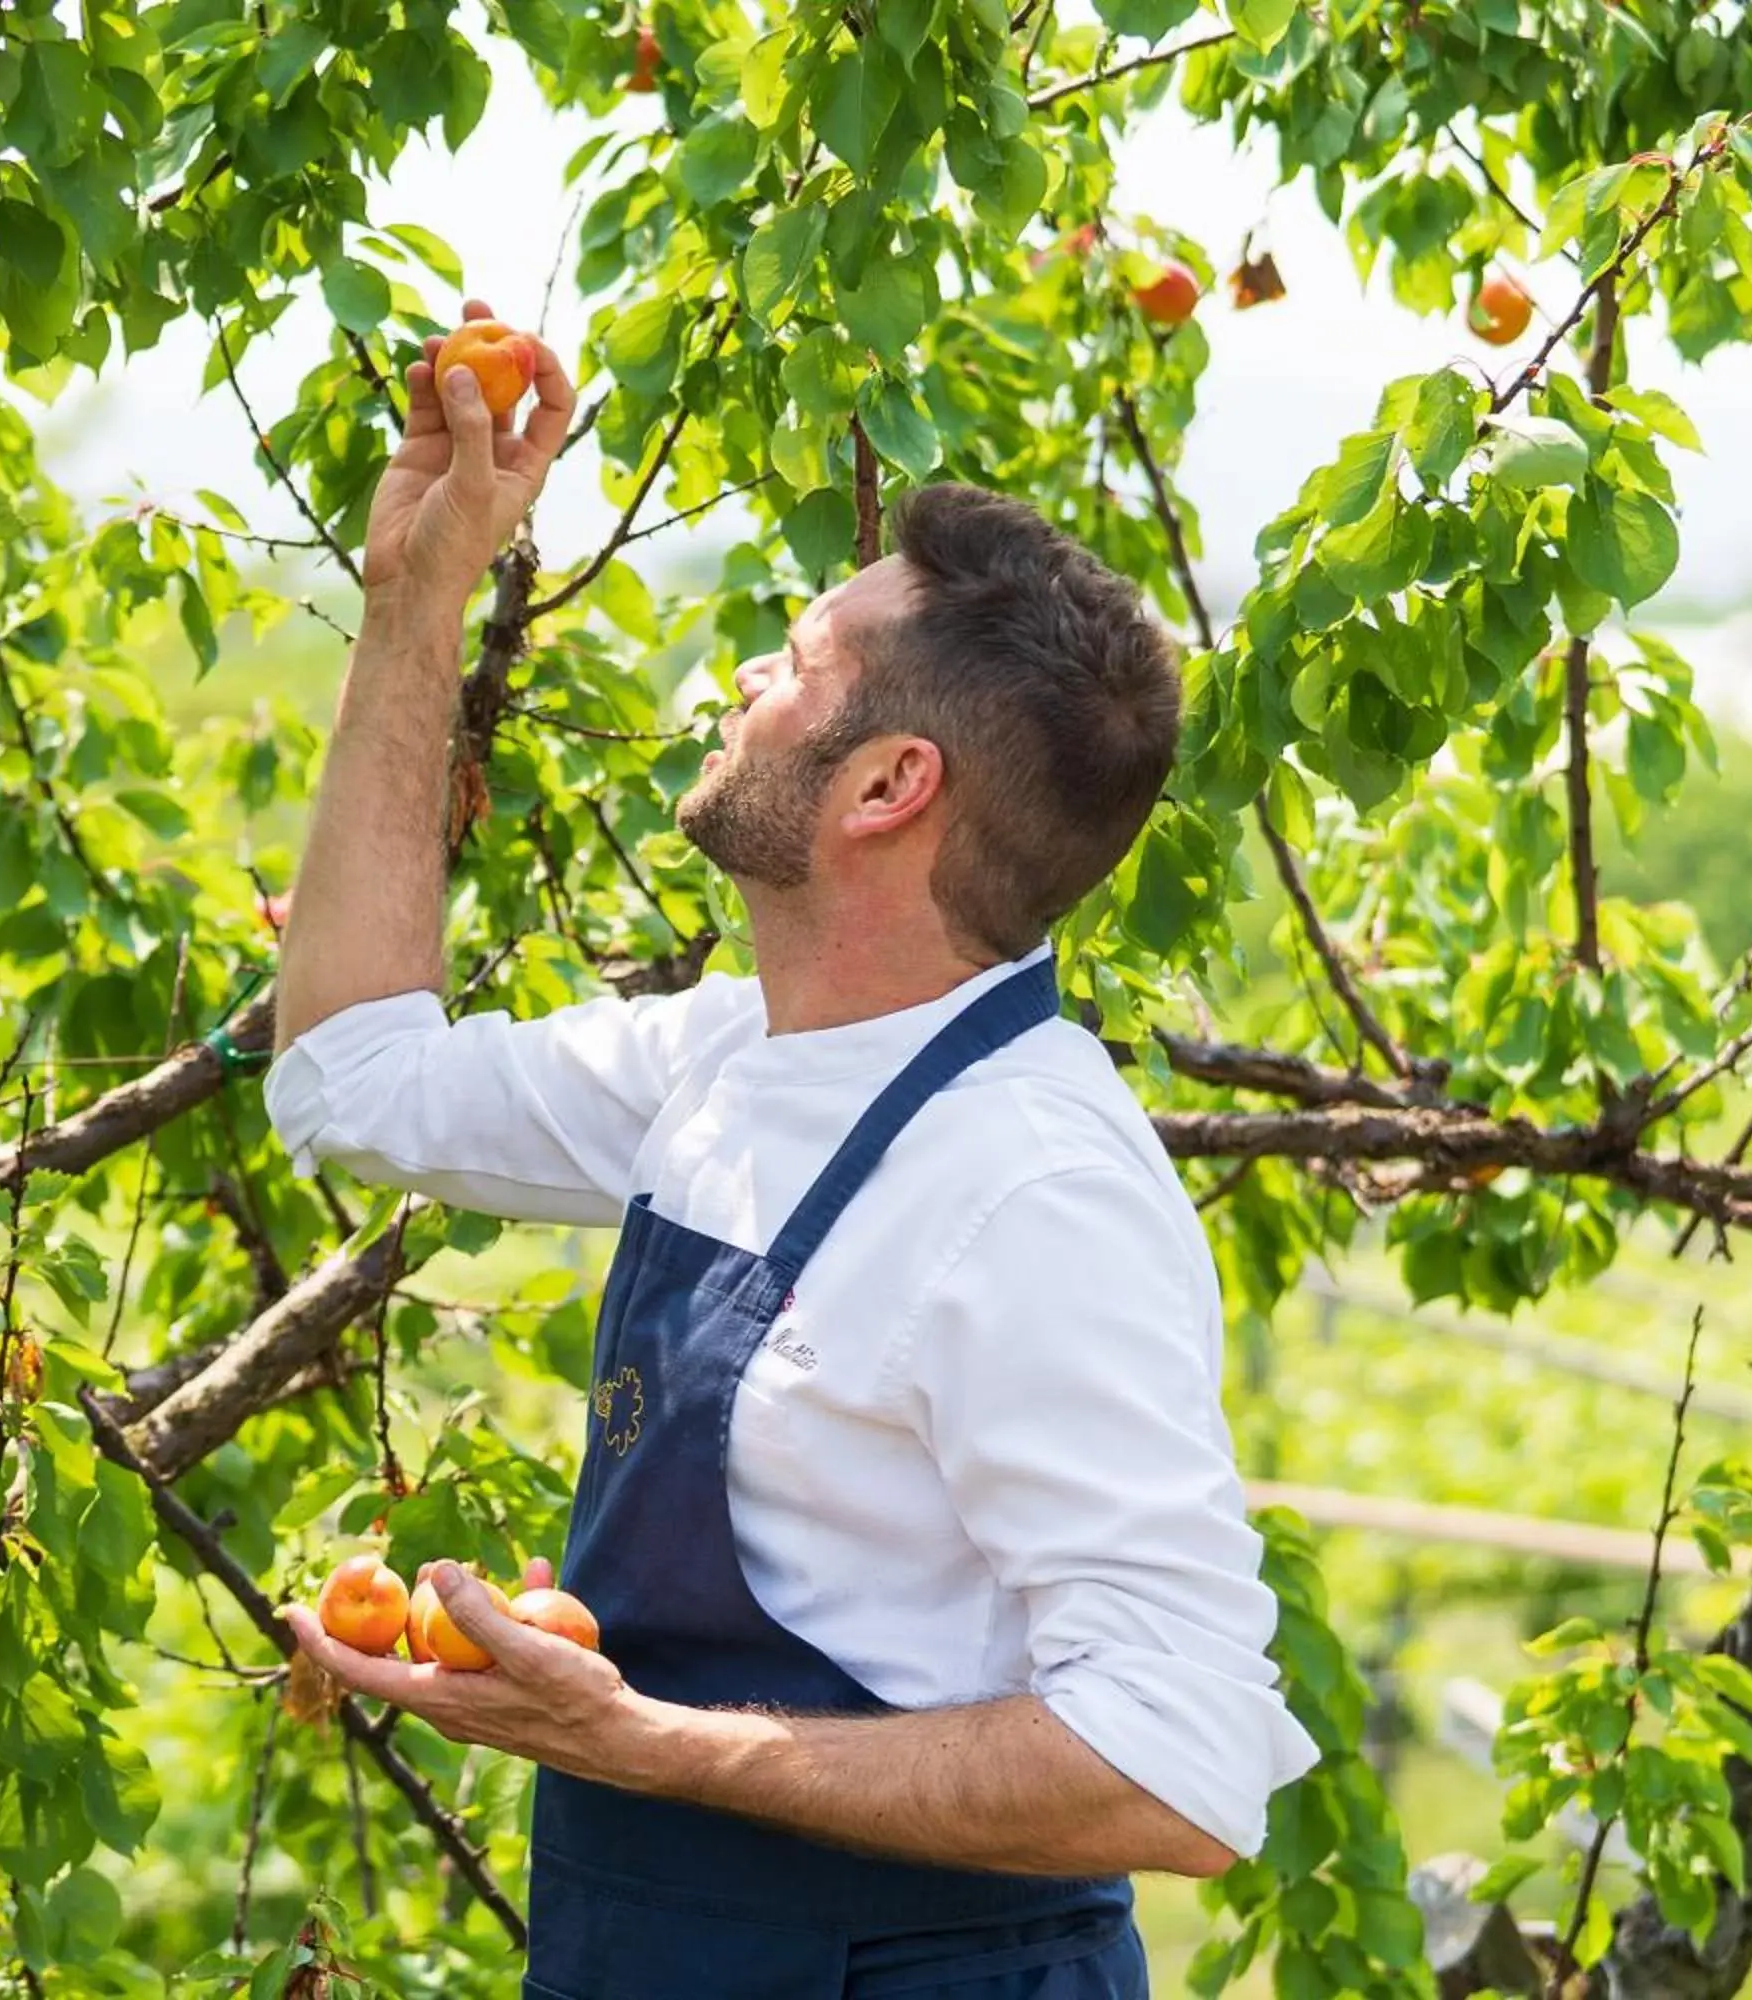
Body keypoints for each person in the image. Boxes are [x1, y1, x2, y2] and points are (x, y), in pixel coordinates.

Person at [271, 303, 1317, 1998]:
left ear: (886, 783)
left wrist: (655, 1746)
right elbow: (349, 1079)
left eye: (798, 663)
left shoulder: (1030, 1191)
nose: (746, 677)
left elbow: (1175, 1761)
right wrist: (416, 598)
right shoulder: (737, 1055)